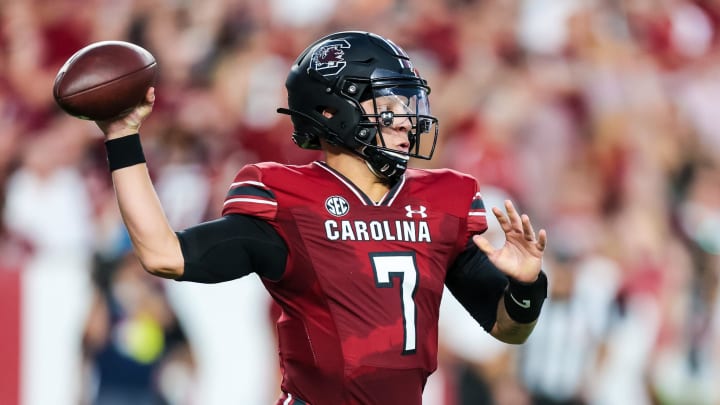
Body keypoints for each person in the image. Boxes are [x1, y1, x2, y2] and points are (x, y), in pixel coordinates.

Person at [93, 31, 548, 405]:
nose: (408, 121)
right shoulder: (290, 200)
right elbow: (164, 254)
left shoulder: (439, 201)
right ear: (333, 111)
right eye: (389, 107)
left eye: (408, 105)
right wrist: (122, 136)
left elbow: (509, 330)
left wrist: (528, 286)